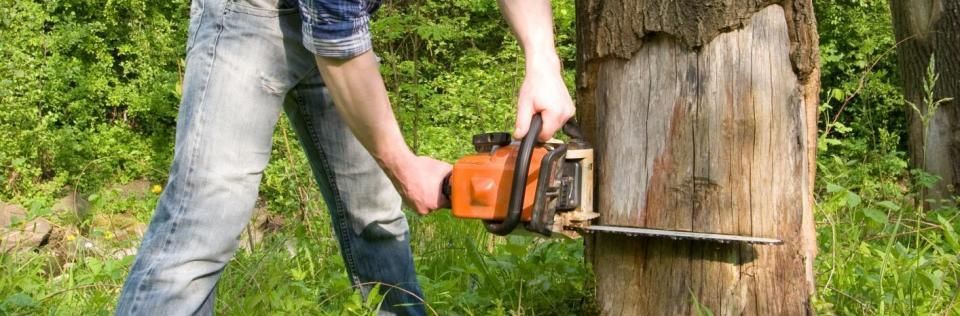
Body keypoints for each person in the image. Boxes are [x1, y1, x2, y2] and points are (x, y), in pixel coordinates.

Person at [114, 0, 574, 314]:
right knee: (204, 224)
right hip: (250, 18)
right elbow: (337, 39)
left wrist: (542, 61)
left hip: (340, 25)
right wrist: (405, 167)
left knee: (375, 216)